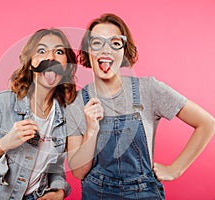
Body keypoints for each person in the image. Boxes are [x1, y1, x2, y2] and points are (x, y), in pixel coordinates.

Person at [66, 13, 215, 199]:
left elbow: (207, 123)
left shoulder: (149, 89)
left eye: (115, 43)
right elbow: (78, 173)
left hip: (144, 193)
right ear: (88, 51)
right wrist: (91, 130)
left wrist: (176, 169)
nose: (106, 50)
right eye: (97, 43)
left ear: (124, 51)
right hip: (97, 193)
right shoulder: (76, 102)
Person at [0, 28, 77, 200]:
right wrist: (4, 143)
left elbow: (54, 165)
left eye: (59, 51)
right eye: (42, 51)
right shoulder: (0, 104)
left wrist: (59, 190)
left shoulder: (65, 115)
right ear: (29, 63)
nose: (51, 58)